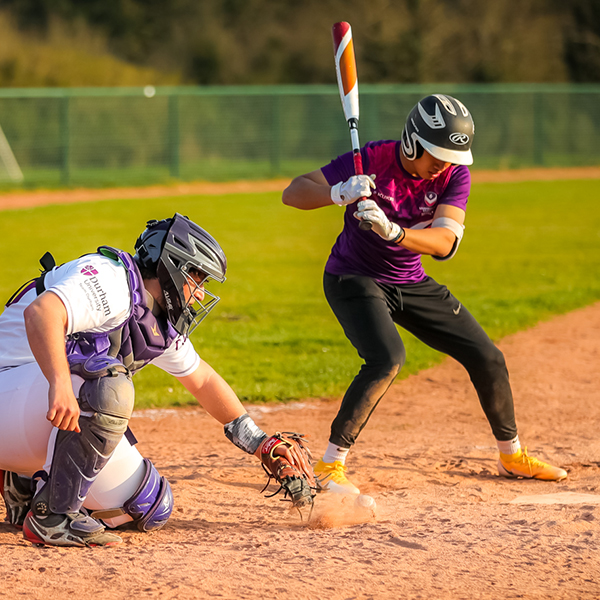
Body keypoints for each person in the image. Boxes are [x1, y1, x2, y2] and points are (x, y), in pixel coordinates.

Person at [282, 94, 567, 494]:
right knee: (386, 358)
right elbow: (293, 192)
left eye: (453, 157)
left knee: (488, 356)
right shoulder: (372, 160)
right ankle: (330, 466)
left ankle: (511, 455)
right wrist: (339, 192)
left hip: (410, 280)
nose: (445, 164)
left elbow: (446, 242)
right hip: (353, 278)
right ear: (413, 142)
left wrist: (394, 232)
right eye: (438, 155)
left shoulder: (453, 175)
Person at [0, 213, 314, 547]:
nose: (200, 294)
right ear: (174, 269)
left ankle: (27, 487)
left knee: (146, 506)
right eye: (199, 279)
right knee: (109, 386)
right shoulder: (110, 279)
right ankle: (53, 518)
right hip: (12, 393)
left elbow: (203, 380)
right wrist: (60, 382)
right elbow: (42, 313)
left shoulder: (152, 318)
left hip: (30, 415)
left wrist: (261, 443)